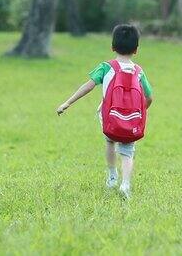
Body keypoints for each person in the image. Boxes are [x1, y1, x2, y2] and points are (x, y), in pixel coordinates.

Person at [56, 24, 153, 199]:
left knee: (110, 142)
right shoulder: (139, 71)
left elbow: (88, 86)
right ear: (136, 50)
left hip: (111, 118)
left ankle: (112, 176)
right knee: (128, 152)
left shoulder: (106, 67)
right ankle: (125, 184)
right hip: (132, 119)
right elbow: (149, 97)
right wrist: (140, 113)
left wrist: (67, 103)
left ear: (112, 47)